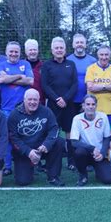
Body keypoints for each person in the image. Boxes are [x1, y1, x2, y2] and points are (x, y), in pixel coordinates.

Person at [8, 89, 65, 186]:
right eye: (30, 99)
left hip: (42, 148)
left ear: (39, 100)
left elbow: (54, 129)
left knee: (59, 142)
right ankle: (29, 169)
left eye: (35, 100)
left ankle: (53, 176)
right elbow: (13, 138)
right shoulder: (14, 115)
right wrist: (28, 152)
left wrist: (47, 144)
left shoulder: (46, 111)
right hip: (24, 151)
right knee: (22, 181)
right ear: (24, 100)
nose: (32, 102)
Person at [0, 41, 34, 176]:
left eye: (16, 51)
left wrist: (9, 78)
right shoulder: (0, 65)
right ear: (6, 52)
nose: (13, 54)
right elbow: (1, 81)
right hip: (6, 109)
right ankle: (7, 166)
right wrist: (19, 76)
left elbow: (30, 81)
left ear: (20, 52)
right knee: (6, 137)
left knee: (26, 135)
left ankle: (28, 163)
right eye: (11, 51)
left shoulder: (26, 64)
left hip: (25, 108)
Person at [41, 37, 78, 170]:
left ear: (65, 50)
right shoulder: (46, 65)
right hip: (52, 105)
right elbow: (44, 85)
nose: (59, 50)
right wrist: (57, 99)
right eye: (56, 48)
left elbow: (75, 84)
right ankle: (49, 162)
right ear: (52, 50)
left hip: (69, 104)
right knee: (51, 132)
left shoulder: (71, 64)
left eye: (61, 48)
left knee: (70, 132)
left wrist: (65, 99)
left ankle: (71, 161)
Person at [70, 94, 111, 186]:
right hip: (85, 153)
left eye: (93, 104)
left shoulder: (103, 116)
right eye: (88, 104)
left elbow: (107, 138)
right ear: (83, 106)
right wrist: (92, 148)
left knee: (108, 179)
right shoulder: (77, 119)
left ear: (96, 105)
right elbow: (74, 142)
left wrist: (103, 153)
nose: (90, 107)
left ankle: (99, 171)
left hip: (99, 154)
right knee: (79, 152)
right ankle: (83, 175)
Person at [85, 45, 111, 122]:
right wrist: (109, 86)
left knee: (110, 134)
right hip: (94, 110)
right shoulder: (91, 69)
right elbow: (90, 87)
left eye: (106, 55)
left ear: (110, 55)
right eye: (101, 55)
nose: (104, 57)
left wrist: (99, 87)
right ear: (98, 55)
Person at [67, 33, 97, 113]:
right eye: (77, 42)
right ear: (73, 45)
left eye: (81, 42)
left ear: (85, 45)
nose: (79, 44)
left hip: (89, 100)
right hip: (71, 100)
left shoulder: (93, 61)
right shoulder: (67, 60)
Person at [24, 39, 45, 104]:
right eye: (30, 50)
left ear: (38, 51)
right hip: (25, 101)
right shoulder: (21, 65)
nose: (33, 52)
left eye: (35, 49)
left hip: (40, 101)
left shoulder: (44, 66)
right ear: (26, 51)